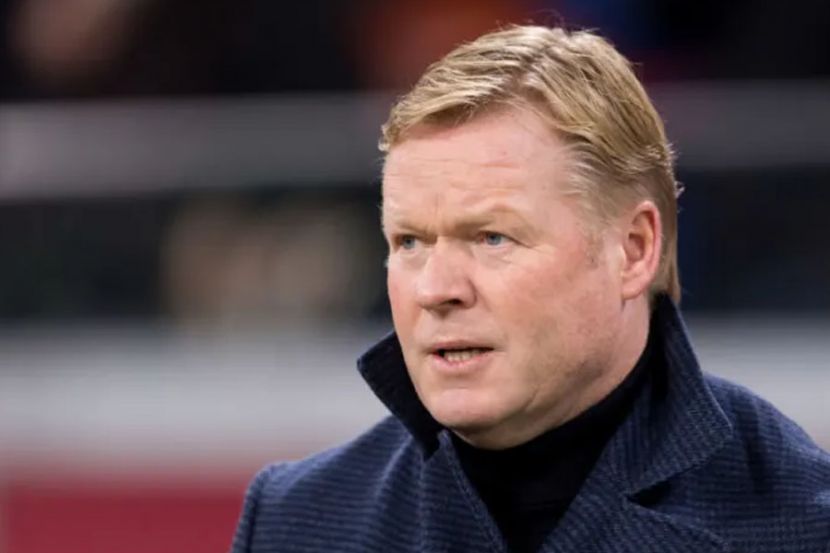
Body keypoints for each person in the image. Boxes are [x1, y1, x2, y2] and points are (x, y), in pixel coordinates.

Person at [231, 25, 830, 553]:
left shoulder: (802, 524)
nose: (436, 289)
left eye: (492, 237)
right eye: (410, 242)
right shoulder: (295, 520)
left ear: (633, 250)